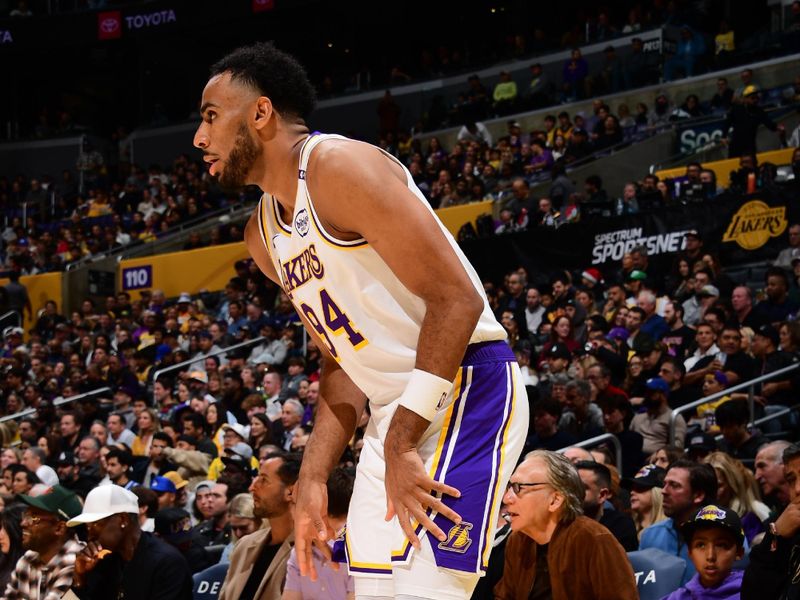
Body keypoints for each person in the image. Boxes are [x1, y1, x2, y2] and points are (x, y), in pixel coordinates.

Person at [195, 43, 528, 599]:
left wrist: (400, 445)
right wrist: (312, 478)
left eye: (210, 117)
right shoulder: (262, 235)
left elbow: (457, 301)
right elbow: (340, 358)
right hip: (391, 414)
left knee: (428, 593)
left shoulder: (339, 167)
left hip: (465, 386)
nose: (199, 139)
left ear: (261, 113)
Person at [494, 450, 637, 599]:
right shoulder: (518, 540)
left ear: (555, 500)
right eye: (509, 486)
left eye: (519, 488)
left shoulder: (594, 539)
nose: (506, 498)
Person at [66, 485, 193, 599]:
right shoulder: (103, 560)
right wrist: (80, 579)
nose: (90, 535)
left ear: (123, 520)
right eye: (87, 527)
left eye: (96, 525)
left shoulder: (167, 563)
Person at [219, 453, 299, 600]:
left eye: (263, 480)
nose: (252, 487)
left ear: (291, 491)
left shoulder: (309, 552)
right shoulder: (244, 545)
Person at [639, 459, 720, 585]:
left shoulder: (726, 538)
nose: (664, 491)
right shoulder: (650, 535)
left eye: (674, 485)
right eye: (664, 484)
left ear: (698, 495)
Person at [284, 467, 355, 600]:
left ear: (318, 506)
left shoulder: (352, 549)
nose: (290, 510)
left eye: (295, 504)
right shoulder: (301, 550)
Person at [3, 485, 84, 599]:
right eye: (26, 515)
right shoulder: (28, 558)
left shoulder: (76, 562)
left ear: (59, 528)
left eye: (34, 518)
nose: (23, 523)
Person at [742, 443, 800, 598]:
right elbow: (751, 594)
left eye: (762, 466)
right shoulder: (780, 525)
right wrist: (776, 538)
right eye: (792, 479)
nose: (797, 488)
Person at [664, 504, 745, 600]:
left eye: (721, 545)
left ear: (739, 553)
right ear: (690, 551)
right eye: (700, 545)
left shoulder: (752, 594)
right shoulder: (678, 597)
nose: (710, 556)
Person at [576, 460, 638, 551]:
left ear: (602, 495)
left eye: (582, 487)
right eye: (571, 486)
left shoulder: (620, 525)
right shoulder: (558, 522)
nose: (573, 492)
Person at [622, 464, 667, 539]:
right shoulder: (624, 527)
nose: (632, 492)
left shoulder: (670, 532)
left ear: (657, 493)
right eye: (632, 488)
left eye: (640, 487)